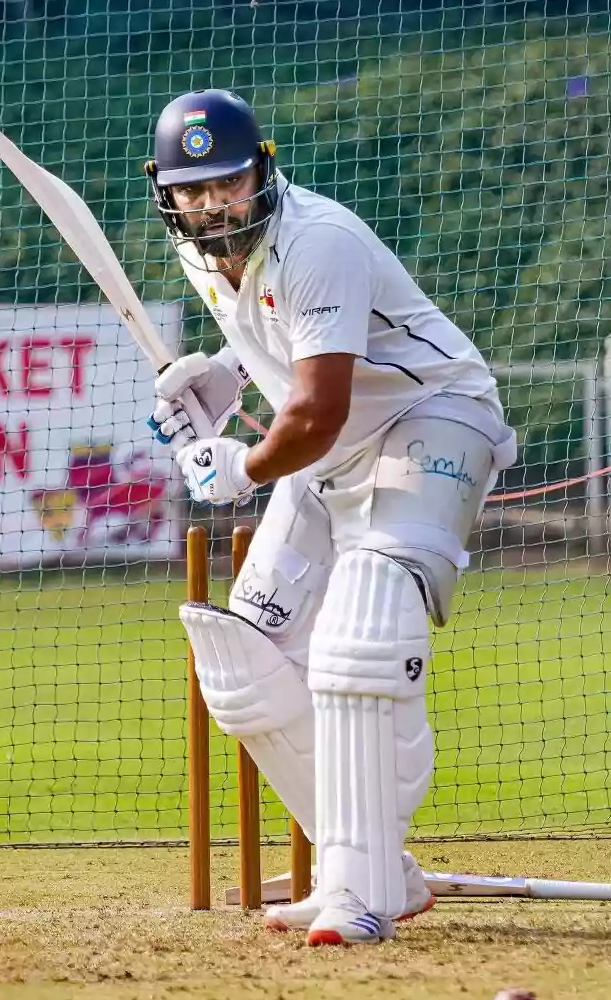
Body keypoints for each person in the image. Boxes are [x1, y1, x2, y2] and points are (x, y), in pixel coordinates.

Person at [144, 89, 516, 946]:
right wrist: (229, 372)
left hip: (430, 419)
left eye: (228, 183)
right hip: (332, 452)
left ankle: (359, 897)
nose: (213, 205)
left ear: (262, 171)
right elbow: (278, 332)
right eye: (193, 190)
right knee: (240, 665)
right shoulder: (201, 251)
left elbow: (314, 412)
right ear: (167, 194)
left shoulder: (320, 240)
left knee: (361, 636)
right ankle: (373, 869)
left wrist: (239, 466)